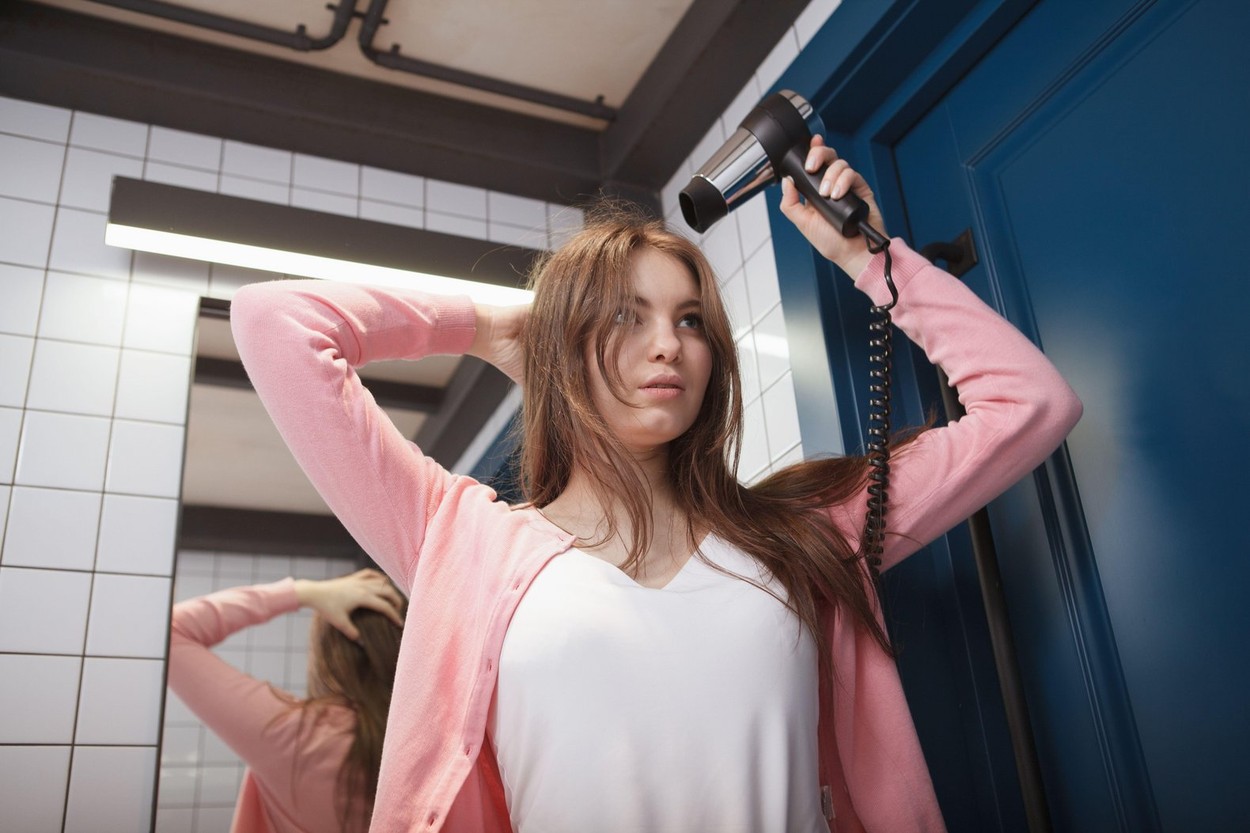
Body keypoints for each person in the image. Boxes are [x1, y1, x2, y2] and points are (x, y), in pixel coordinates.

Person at [229, 136, 1082, 833]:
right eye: (624, 317)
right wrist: (498, 325)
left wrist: (869, 256)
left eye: (688, 321)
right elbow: (275, 322)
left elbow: (1033, 404)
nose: (668, 344)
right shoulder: (464, 542)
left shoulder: (810, 528)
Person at [167, 567, 406, 833]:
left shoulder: (300, 737)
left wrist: (303, 592)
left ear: (326, 655)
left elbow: (170, 634)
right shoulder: (435, 742)